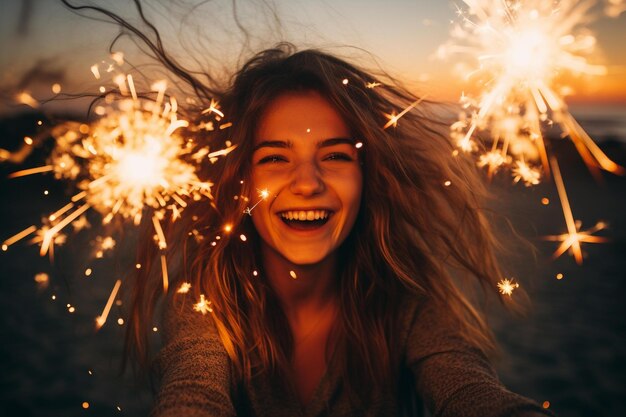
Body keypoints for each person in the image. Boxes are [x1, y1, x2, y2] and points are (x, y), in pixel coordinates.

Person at [117, 44, 556, 417]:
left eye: (336, 156)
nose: (307, 183)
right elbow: (193, 390)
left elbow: (469, 388)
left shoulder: (408, 304)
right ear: (239, 181)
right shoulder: (207, 305)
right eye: (274, 158)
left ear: (367, 177)